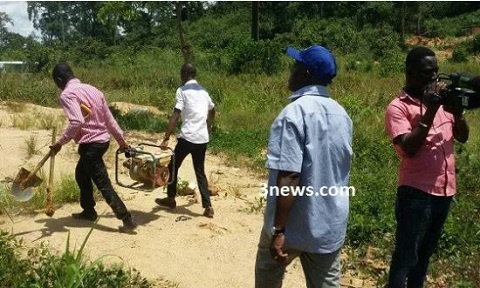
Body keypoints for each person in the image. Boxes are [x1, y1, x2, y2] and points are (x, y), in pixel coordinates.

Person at [255, 45, 353, 287]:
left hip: (292, 227)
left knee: (268, 276)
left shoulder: (293, 114)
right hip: (328, 227)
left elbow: (289, 175)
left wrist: (278, 230)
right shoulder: (342, 115)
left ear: (306, 74)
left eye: (296, 65)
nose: (291, 70)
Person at [385, 47, 469, 287]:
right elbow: (408, 148)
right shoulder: (398, 107)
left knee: (423, 258)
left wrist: (459, 114)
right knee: (405, 257)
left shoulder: (443, 103)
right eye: (426, 73)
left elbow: (462, 137)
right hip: (416, 194)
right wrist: (430, 110)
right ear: (409, 72)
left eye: (436, 72)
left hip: (444, 192)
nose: (433, 79)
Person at [50, 63, 138, 232]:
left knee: (103, 184)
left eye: (56, 82)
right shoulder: (93, 90)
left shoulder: (67, 94)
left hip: (91, 146)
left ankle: (127, 219)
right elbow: (110, 121)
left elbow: (76, 121)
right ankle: (89, 211)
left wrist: (60, 143)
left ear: (59, 80)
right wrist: (122, 142)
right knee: (81, 174)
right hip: (102, 142)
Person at [156, 63, 216, 218]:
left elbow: (176, 114)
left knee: (173, 166)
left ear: (183, 74)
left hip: (188, 137)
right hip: (202, 139)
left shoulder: (182, 90)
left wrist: (166, 137)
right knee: (200, 171)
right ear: (194, 75)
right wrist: (209, 126)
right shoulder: (203, 91)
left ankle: (170, 199)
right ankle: (208, 206)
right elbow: (212, 108)